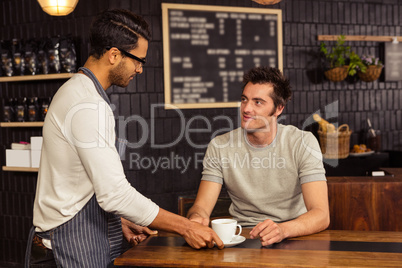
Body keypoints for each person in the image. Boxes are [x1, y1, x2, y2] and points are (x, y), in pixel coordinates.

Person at [26, 9, 223, 268]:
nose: (140, 69)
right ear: (114, 55)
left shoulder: (78, 92)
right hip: (70, 242)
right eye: (138, 60)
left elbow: (80, 183)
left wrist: (119, 220)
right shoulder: (87, 104)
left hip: (78, 234)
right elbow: (115, 194)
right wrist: (186, 227)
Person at [187, 67, 330, 247]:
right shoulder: (219, 146)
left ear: (278, 108)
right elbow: (201, 207)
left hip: (294, 235)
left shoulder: (303, 142)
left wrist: (283, 230)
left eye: (258, 102)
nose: (247, 108)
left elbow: (321, 214)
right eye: (244, 99)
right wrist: (196, 218)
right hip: (244, 236)